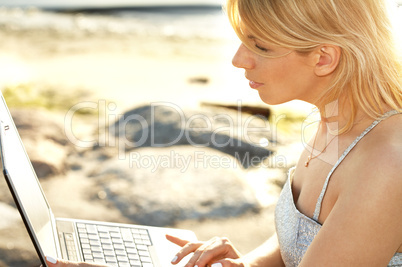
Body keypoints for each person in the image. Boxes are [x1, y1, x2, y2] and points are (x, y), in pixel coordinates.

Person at [45, 0, 402, 266]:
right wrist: (246, 264)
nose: (238, 59)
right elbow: (301, 242)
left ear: (324, 58)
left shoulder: (386, 164)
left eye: (261, 46)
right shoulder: (335, 120)